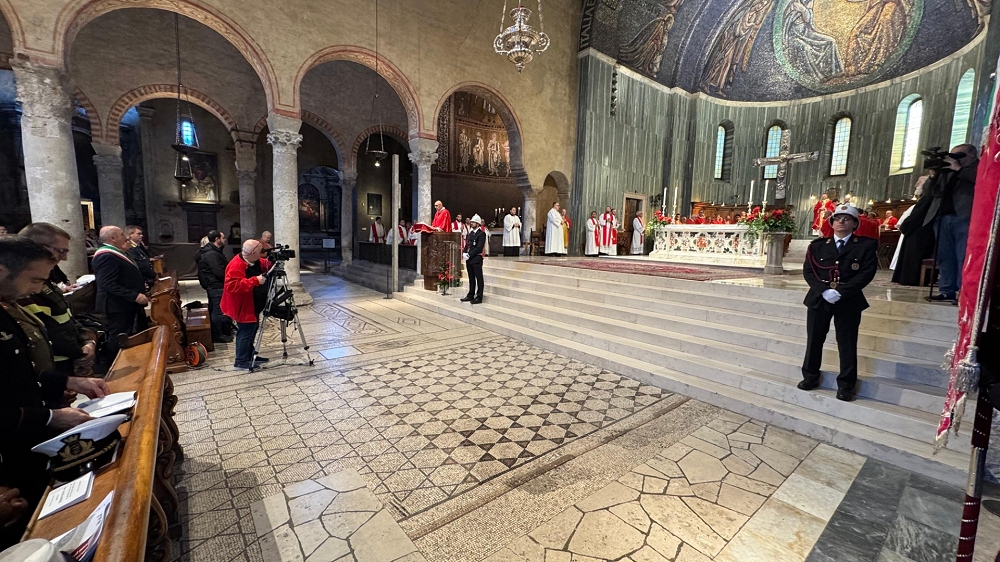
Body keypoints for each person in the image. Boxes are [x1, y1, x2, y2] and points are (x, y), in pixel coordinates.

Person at [0, 238, 108, 545]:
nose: (38, 289)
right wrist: (50, 416)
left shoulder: (7, 308)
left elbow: (20, 372)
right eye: (34, 279)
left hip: (26, 437)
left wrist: (68, 382)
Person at [799, 204, 878, 401]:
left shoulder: (865, 245)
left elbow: (866, 273)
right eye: (838, 218)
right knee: (814, 340)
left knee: (847, 343)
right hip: (820, 298)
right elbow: (809, 271)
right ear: (832, 223)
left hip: (848, 300)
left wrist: (841, 291)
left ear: (855, 224)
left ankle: (846, 385)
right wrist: (824, 290)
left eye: (847, 218)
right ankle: (810, 376)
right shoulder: (817, 246)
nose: (842, 221)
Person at [17, 223, 97, 375]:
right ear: (37, 247)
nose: (65, 258)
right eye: (61, 251)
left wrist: (87, 341)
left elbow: (66, 317)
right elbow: (45, 331)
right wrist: (79, 352)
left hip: (67, 360)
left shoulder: (45, 279)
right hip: (52, 365)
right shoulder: (24, 287)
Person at [923, 144, 978, 302]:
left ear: (972, 155)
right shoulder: (946, 170)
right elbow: (929, 192)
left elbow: (981, 182)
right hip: (941, 217)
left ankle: (963, 291)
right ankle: (947, 290)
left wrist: (958, 170)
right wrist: (933, 175)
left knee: (963, 256)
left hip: (964, 217)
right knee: (944, 257)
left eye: (958, 155)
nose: (953, 159)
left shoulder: (978, 167)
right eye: (951, 155)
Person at [93, 226, 150, 366]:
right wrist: (134, 295)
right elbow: (107, 284)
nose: (126, 237)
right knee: (118, 336)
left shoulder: (116, 253)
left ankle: (130, 362)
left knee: (127, 334)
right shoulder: (105, 256)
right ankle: (116, 367)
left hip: (123, 304)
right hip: (115, 305)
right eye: (122, 234)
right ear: (112, 238)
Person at [220, 240, 271, 370]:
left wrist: (274, 259)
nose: (262, 254)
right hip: (243, 306)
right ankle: (241, 361)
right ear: (253, 252)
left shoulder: (253, 260)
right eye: (261, 251)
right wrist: (255, 281)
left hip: (253, 304)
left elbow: (264, 264)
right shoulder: (236, 265)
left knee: (252, 329)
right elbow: (232, 286)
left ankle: (250, 354)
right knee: (245, 332)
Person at [892, 175, 936, 285]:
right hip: (917, 232)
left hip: (919, 235)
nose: (916, 184)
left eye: (919, 182)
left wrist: (904, 226)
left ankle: (911, 279)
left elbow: (916, 216)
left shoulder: (928, 198)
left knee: (912, 259)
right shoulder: (925, 198)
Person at [195, 230, 232, 343]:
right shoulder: (211, 254)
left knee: (217, 309)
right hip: (216, 286)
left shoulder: (214, 251)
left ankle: (221, 331)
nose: (224, 240)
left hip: (215, 285)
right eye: (223, 238)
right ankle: (218, 335)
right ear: (217, 239)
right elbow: (219, 271)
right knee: (217, 311)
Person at [460, 215, 486, 304]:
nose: (471, 223)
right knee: (471, 278)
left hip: (476, 258)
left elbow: (479, 248)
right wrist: (464, 252)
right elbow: (467, 244)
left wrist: (469, 254)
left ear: (478, 223)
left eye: (473, 222)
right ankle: (470, 294)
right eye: (471, 222)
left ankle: (479, 296)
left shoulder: (481, 234)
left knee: (478, 278)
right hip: (469, 259)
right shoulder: (470, 233)